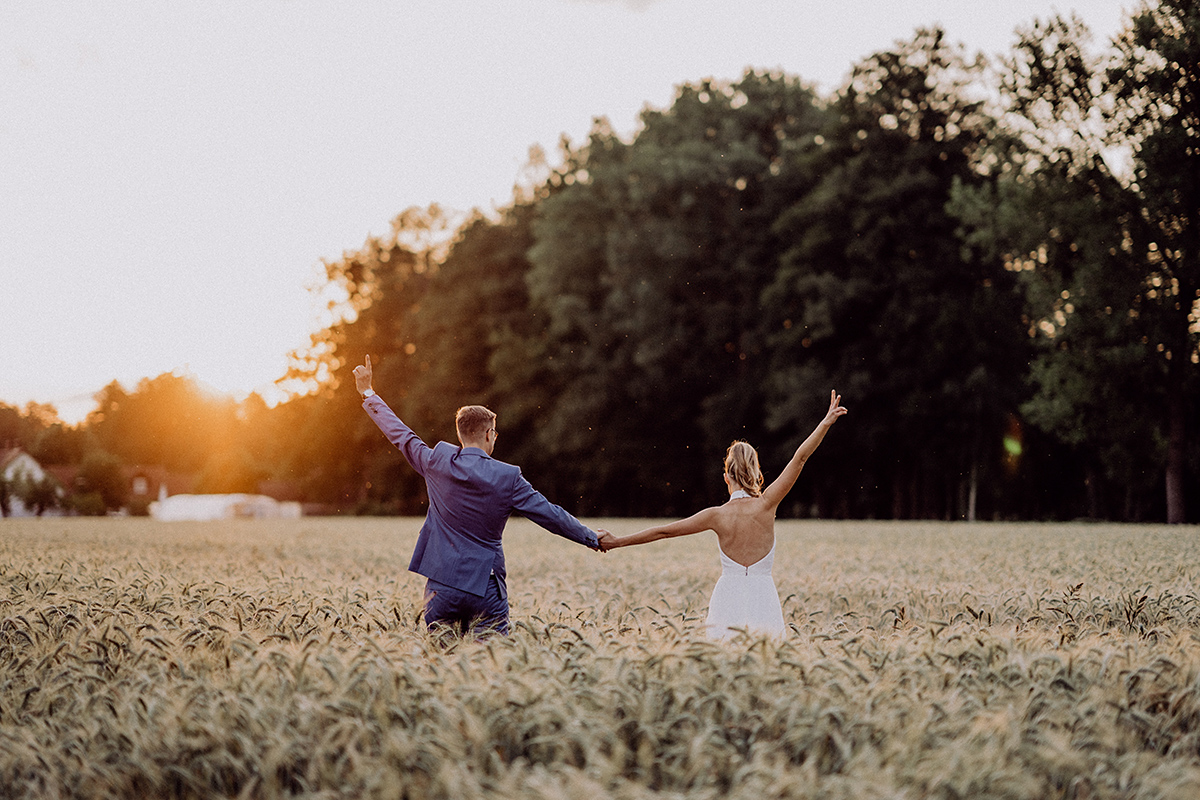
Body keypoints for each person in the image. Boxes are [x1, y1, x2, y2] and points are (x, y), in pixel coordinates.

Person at [353, 355, 610, 637]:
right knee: (489, 670)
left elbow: (401, 435)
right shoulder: (508, 477)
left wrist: (368, 392)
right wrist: (590, 538)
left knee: (440, 669)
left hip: (441, 588)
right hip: (485, 589)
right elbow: (550, 514)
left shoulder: (436, 462)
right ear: (489, 434)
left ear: (461, 433)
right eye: (494, 433)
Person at [600, 390, 847, 640]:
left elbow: (663, 531)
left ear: (726, 477)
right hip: (764, 596)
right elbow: (800, 457)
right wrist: (824, 423)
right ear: (755, 472)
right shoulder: (767, 504)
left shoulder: (716, 516)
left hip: (727, 597)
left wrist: (616, 541)